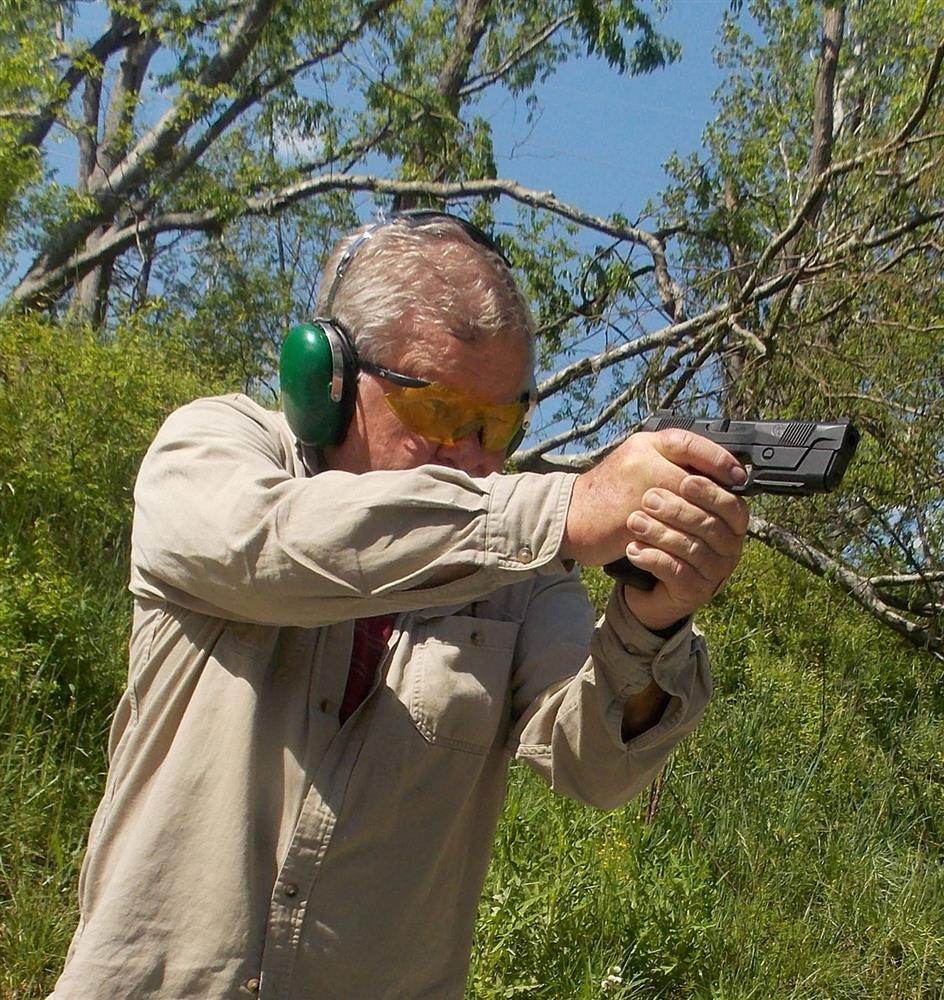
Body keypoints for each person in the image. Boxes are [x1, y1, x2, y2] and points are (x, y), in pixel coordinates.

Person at [50, 211, 748, 999]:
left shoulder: (521, 575)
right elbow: (274, 545)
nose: (474, 459)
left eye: (499, 423)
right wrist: (563, 509)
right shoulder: (209, 451)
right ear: (330, 382)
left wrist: (654, 619)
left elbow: (590, 763)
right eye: (441, 414)